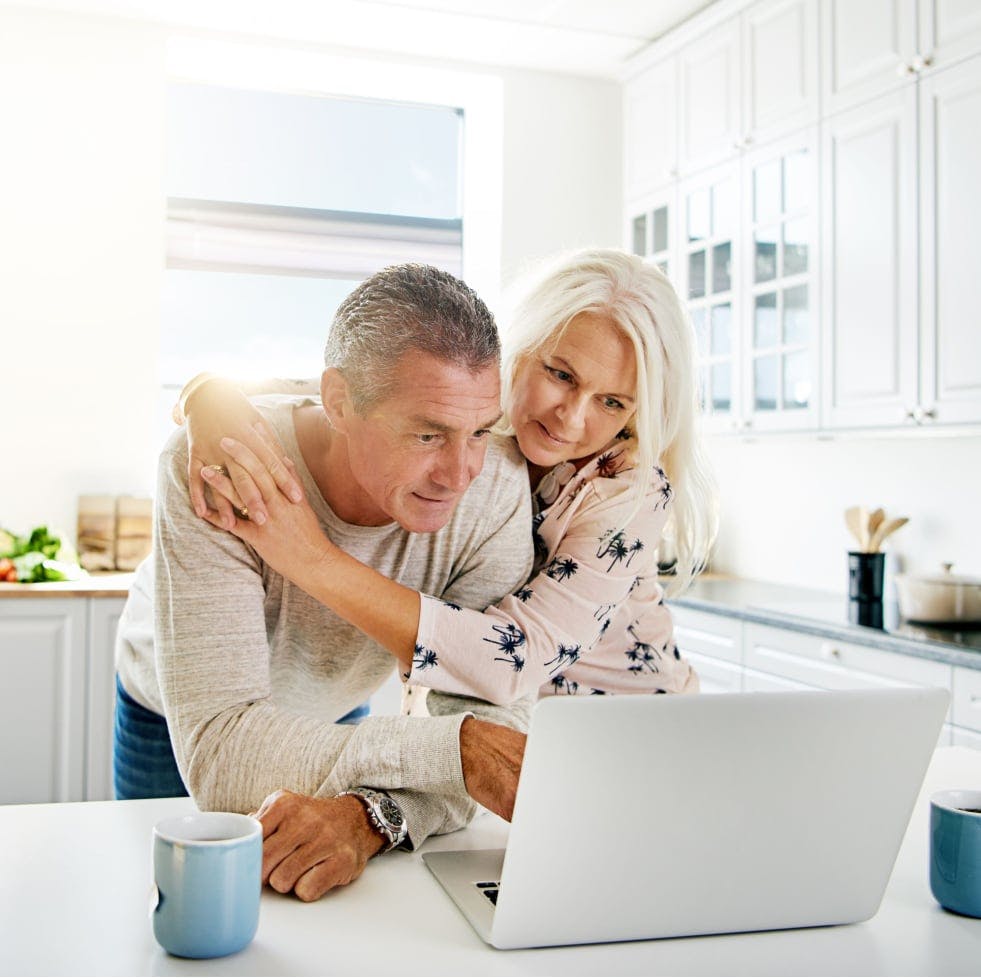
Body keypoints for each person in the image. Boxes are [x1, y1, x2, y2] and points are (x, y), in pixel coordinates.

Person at [113, 263, 536, 903]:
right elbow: (221, 754)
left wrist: (374, 814)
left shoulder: (498, 493)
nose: (461, 473)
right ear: (338, 402)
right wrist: (457, 753)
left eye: (480, 431)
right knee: (166, 912)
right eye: (428, 434)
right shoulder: (222, 463)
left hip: (338, 710)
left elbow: (494, 747)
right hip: (174, 716)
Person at [184, 248, 717, 711]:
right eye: (560, 375)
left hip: (633, 722)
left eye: (611, 402)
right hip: (506, 732)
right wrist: (209, 395)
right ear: (519, 346)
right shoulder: (480, 412)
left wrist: (308, 556)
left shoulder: (631, 487)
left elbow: (516, 659)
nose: (570, 419)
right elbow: (366, 391)